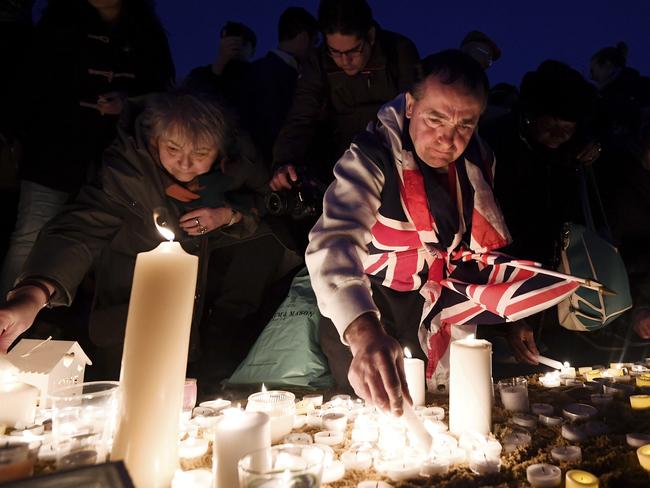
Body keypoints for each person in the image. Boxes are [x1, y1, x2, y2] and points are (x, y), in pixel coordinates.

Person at [306, 50, 578, 415]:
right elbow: (333, 243)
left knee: (441, 410)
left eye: (464, 125)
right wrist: (363, 334)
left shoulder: (480, 162)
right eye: (435, 119)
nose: (447, 140)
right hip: (369, 302)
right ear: (409, 105)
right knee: (377, 413)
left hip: (435, 303)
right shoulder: (370, 157)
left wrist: (515, 319)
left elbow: (480, 250)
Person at [0, 91, 300, 391]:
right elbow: (80, 227)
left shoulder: (239, 161)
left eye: (200, 154)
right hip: (128, 310)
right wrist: (33, 293)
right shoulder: (127, 170)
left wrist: (228, 214)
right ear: (156, 138)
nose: (184, 164)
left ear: (221, 151)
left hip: (203, 313)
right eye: (173, 149)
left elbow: (265, 202)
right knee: (129, 390)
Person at [0, 0, 175, 303]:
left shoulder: (147, 35)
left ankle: (61, 321)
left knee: (98, 240)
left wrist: (128, 102)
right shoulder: (57, 26)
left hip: (112, 158)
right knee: (30, 235)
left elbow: (162, 92)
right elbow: (28, 84)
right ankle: (8, 316)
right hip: (53, 152)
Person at [270, 0, 420, 189]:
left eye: (353, 51)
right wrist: (284, 162)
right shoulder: (318, 62)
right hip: (340, 167)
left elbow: (415, 115)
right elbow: (301, 117)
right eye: (335, 51)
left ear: (370, 36)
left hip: (394, 165)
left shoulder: (399, 52)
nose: (344, 61)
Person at [239, 7, 319, 165]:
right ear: (304, 38)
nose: (314, 50)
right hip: (273, 169)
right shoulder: (286, 77)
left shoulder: (255, 69)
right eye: (315, 42)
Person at [590, 42, 650, 155]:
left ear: (607, 64)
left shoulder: (609, 99)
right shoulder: (642, 85)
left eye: (593, 70)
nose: (591, 77)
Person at [184, 20, 257, 112]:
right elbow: (192, 102)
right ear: (221, 44)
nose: (235, 45)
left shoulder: (262, 76)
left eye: (244, 43)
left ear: (253, 51)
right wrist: (221, 61)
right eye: (229, 40)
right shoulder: (200, 74)